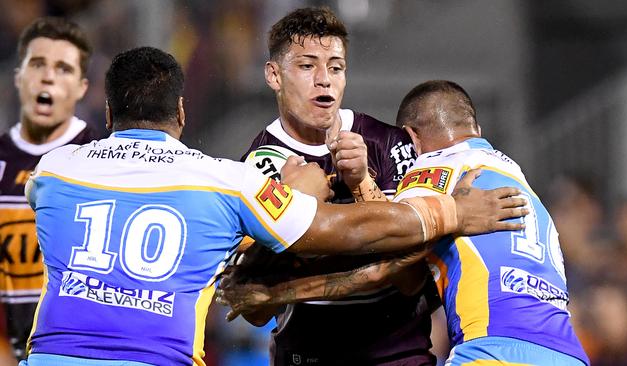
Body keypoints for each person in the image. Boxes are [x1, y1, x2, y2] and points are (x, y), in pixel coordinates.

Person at [21, 47, 526, 366]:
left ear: (108, 112)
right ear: (181, 111)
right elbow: (340, 229)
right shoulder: (226, 180)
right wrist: (452, 213)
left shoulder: (53, 170)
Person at [220, 80, 590, 365]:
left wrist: (278, 291)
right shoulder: (519, 181)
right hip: (568, 352)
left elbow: (388, 263)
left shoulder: (436, 170)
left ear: (411, 137)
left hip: (494, 351)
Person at [238, 7, 442, 365]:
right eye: (307, 66)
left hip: (396, 355)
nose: (324, 80)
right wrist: (291, 204)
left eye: (335, 67)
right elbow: (252, 311)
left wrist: (362, 183)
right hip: (305, 356)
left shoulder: (387, 143)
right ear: (274, 75)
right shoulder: (255, 168)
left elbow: (413, 279)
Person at [0, 16, 97, 361]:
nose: (48, 77)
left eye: (63, 68)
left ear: (82, 87)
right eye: (37, 64)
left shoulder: (101, 162)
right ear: (18, 76)